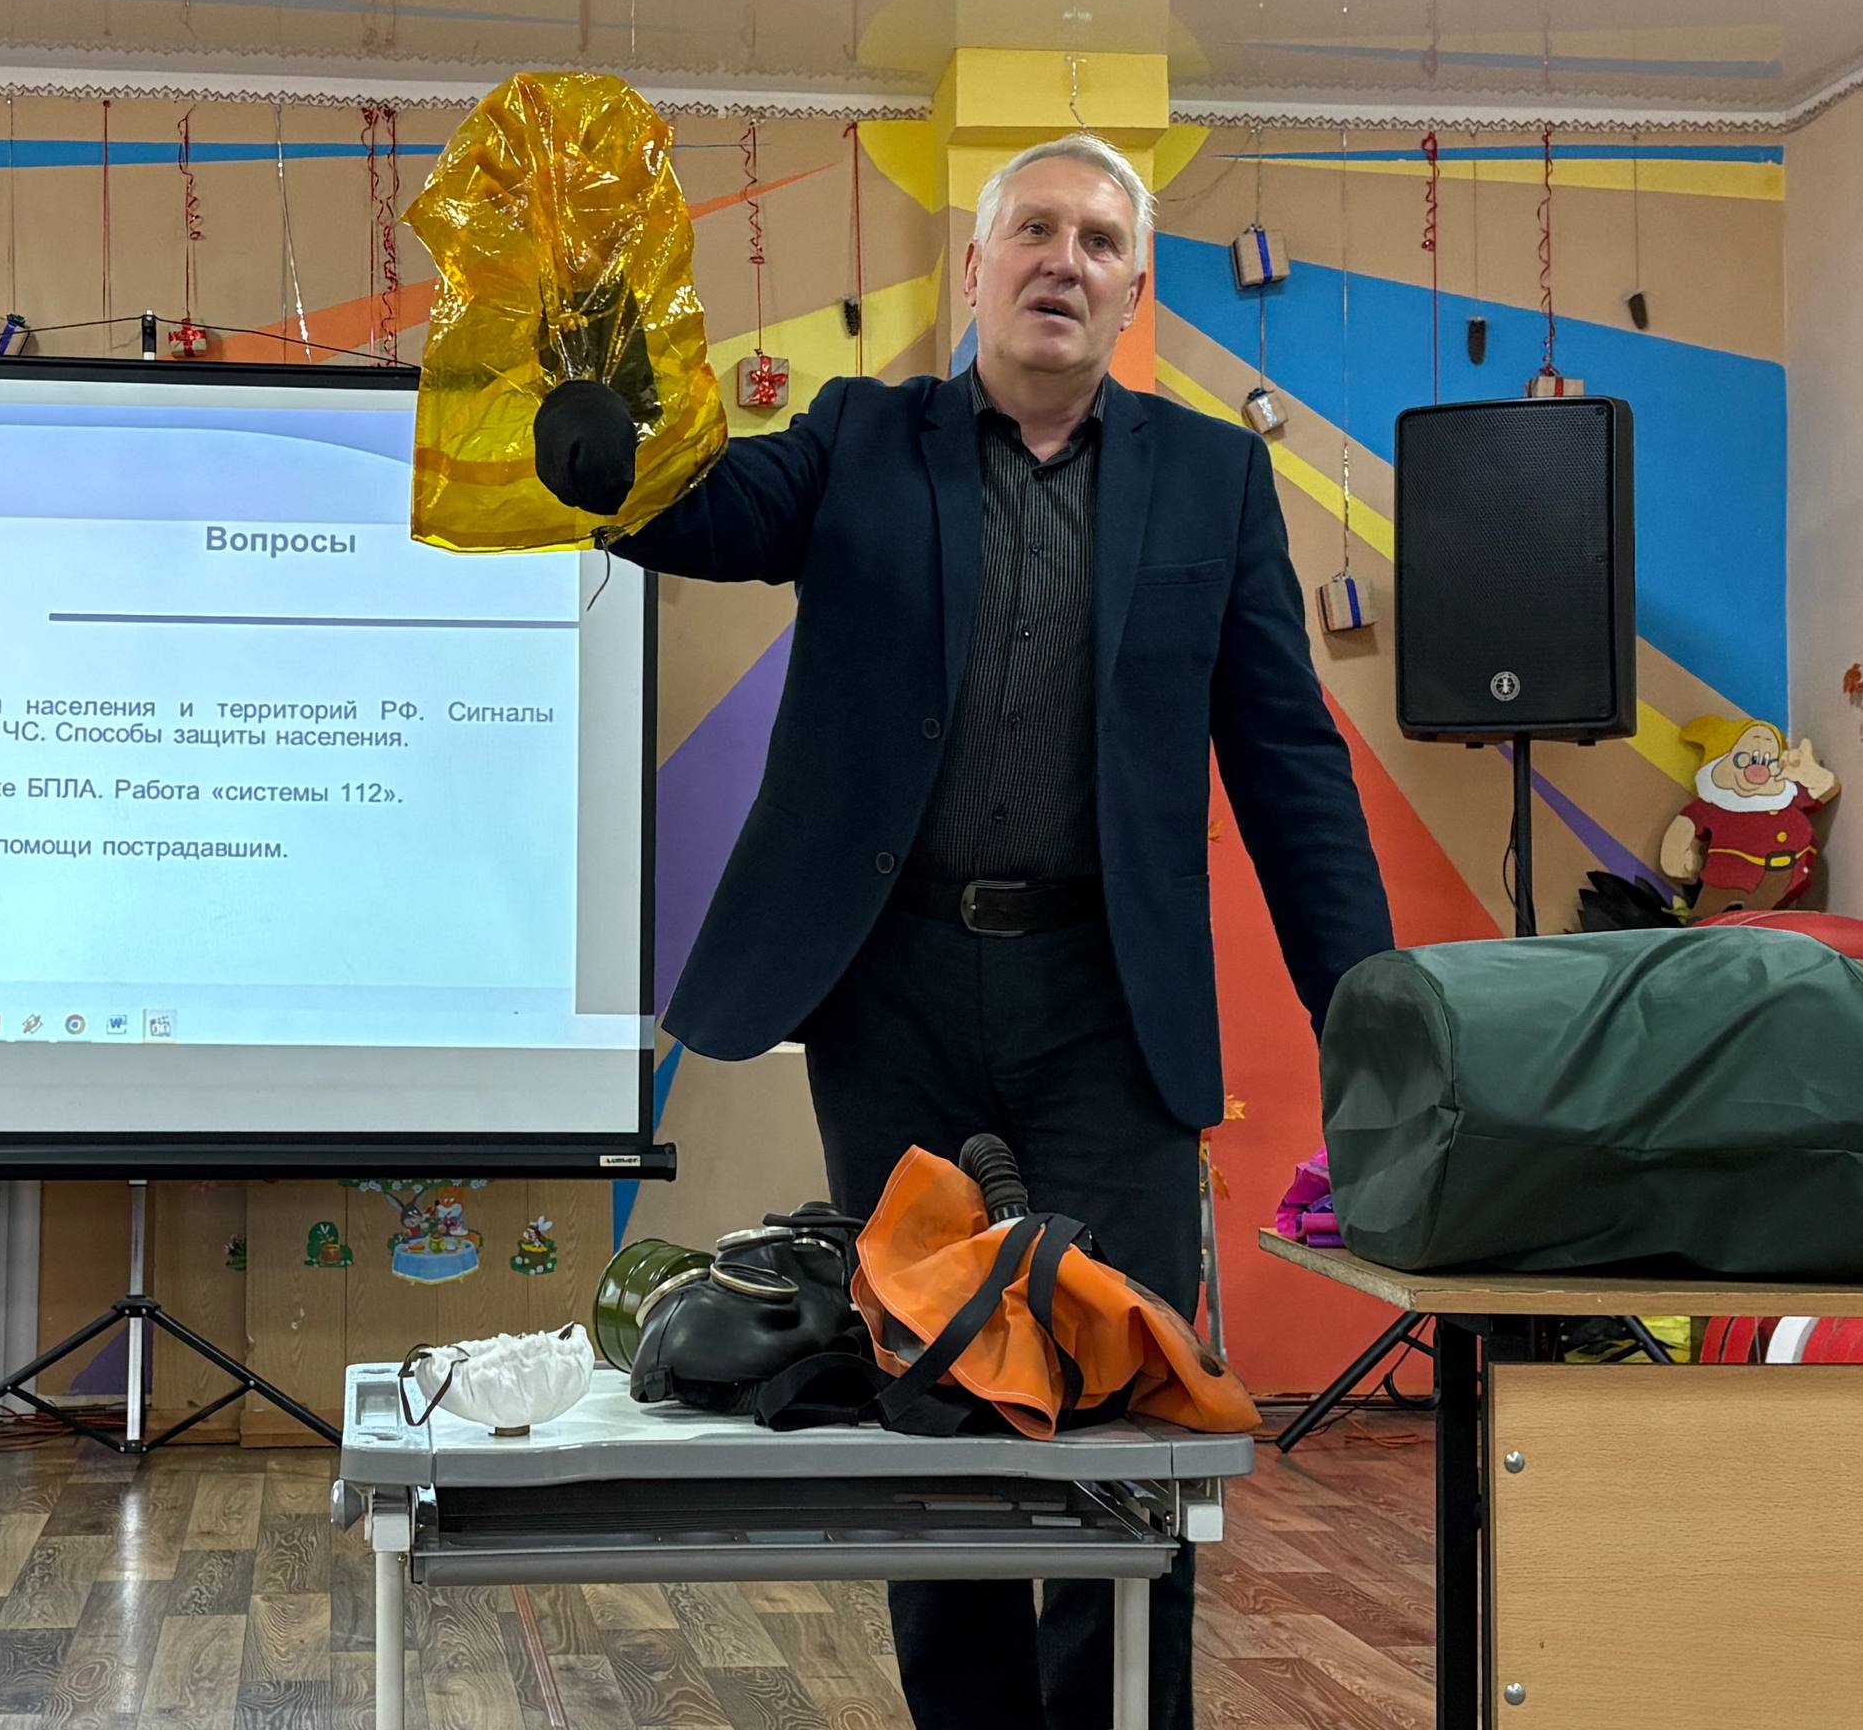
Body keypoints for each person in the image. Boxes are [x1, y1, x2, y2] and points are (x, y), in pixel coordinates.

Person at [533, 131, 1395, 1730]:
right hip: (900, 995)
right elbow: (705, 511)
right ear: (981, 265)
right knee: (929, 1398)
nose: (1065, 260)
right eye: (1036, 230)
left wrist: (1368, 1008)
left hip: (1109, 1003)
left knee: (1124, 1410)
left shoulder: (1215, 480)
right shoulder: (861, 437)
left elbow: (1287, 757)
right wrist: (604, 443)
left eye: (1099, 241)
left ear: (1133, 292)